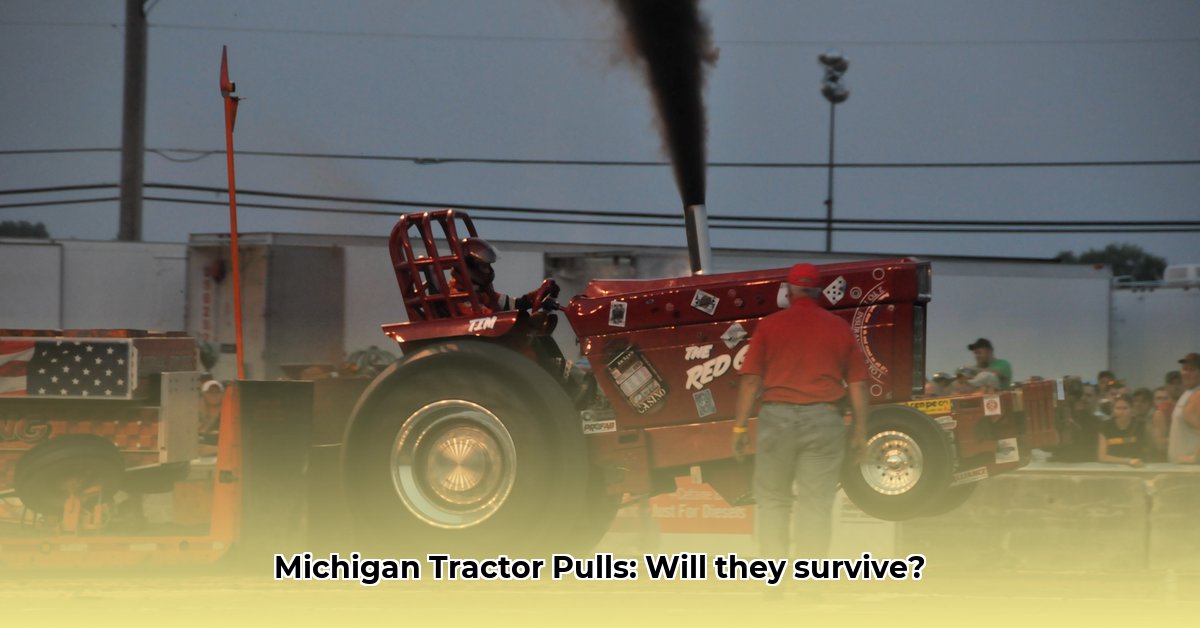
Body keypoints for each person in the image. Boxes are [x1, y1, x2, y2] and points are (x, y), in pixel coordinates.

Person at [731, 263, 869, 562]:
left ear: (789, 291)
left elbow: (751, 381)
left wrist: (740, 428)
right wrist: (860, 432)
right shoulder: (839, 327)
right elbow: (858, 385)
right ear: (820, 292)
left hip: (776, 420)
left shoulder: (770, 325)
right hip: (824, 420)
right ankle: (810, 584)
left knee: (773, 501)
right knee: (815, 504)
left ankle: (774, 578)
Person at [452, 237, 558, 316]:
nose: (489, 270)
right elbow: (490, 320)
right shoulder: (459, 297)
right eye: (484, 266)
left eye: (489, 265)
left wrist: (540, 296)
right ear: (469, 268)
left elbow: (515, 304)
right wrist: (531, 319)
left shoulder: (482, 291)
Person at [1167, 353, 1200, 464]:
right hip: (1180, 468)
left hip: (1192, 471)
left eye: (1191, 370)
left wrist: (1195, 457)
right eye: (1184, 369)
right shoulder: (1188, 393)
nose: (1186, 373)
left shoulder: (1198, 395)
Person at [1097, 394, 1145, 467]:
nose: (1121, 411)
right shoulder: (1105, 426)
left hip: (1135, 468)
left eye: (1125, 408)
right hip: (1111, 467)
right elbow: (1102, 457)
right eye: (1118, 408)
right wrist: (1127, 461)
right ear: (1113, 409)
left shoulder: (1140, 426)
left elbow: (1144, 452)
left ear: (1132, 409)